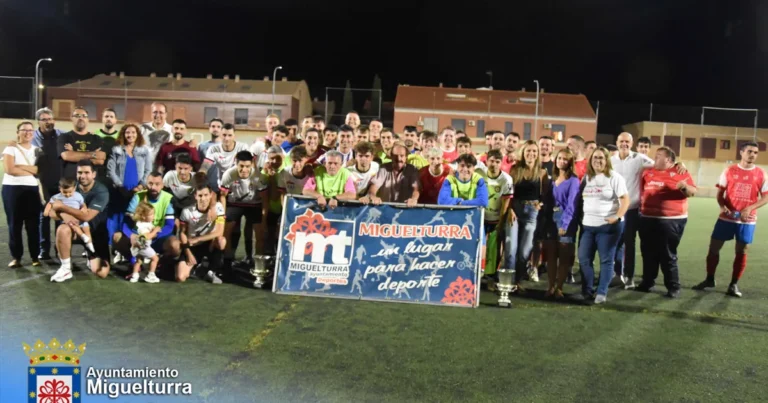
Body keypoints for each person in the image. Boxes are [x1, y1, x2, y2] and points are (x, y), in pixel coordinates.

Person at [693, 141, 768, 298]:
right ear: (741, 152)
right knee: (713, 248)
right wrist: (722, 207)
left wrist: (750, 208)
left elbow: (766, 196)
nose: (752, 155)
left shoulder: (761, 174)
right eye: (749, 151)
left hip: (747, 220)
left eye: (755, 152)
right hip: (726, 218)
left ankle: (733, 284)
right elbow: (720, 194)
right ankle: (709, 279)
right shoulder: (729, 170)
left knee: (741, 251)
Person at [636, 146, 696, 298]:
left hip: (670, 220)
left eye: (658, 156)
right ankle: (648, 282)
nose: (654, 158)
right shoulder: (648, 172)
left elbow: (692, 192)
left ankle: (673, 286)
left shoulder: (679, 172)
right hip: (647, 218)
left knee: (667, 253)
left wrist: (684, 187)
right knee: (648, 252)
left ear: (668, 160)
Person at [577, 147, 629, 304]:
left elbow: (625, 199)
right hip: (587, 227)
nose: (597, 161)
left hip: (608, 227)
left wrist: (617, 216)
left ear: (607, 160)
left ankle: (601, 292)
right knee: (584, 259)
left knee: (606, 261)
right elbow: (580, 200)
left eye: (601, 158)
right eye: (594, 158)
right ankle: (587, 291)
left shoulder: (615, 177)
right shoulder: (587, 178)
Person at [48, 160, 111, 282]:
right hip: (74, 230)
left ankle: (89, 254)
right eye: (80, 172)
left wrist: (62, 208)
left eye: (86, 173)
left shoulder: (101, 191)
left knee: (102, 272)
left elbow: (86, 217)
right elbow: (51, 212)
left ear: (94, 174)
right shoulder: (70, 186)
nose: (82, 176)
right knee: (62, 229)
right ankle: (66, 269)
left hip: (94, 233)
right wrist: (63, 216)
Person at [504, 140, 549, 286]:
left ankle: (517, 282)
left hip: (531, 214)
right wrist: (509, 209)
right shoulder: (515, 169)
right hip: (515, 211)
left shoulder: (542, 172)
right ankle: (507, 283)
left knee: (525, 252)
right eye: (528, 151)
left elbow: (546, 194)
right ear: (523, 152)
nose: (531, 154)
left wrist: (540, 204)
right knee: (511, 249)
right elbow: (508, 192)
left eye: (534, 151)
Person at [106, 123, 152, 257]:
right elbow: (111, 170)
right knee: (116, 220)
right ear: (123, 134)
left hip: (137, 193)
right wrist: (120, 186)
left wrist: (141, 185)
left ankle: (131, 251)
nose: (130, 135)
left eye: (133, 132)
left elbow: (148, 170)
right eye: (127, 132)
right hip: (119, 192)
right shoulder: (116, 150)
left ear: (137, 135)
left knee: (132, 220)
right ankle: (115, 249)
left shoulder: (144, 151)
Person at [112, 172, 176, 264]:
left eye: (157, 184)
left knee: (175, 245)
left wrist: (154, 235)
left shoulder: (168, 198)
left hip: (158, 237)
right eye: (150, 183)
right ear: (146, 184)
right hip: (138, 235)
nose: (153, 187)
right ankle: (134, 262)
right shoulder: (138, 196)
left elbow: (170, 225)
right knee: (117, 237)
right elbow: (126, 222)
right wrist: (132, 236)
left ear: (162, 185)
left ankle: (159, 263)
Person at [219, 151, 268, 268]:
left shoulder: (258, 176)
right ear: (236, 163)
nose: (244, 170)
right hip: (234, 203)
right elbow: (222, 196)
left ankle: (258, 264)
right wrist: (222, 215)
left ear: (252, 164)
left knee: (260, 234)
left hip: (254, 204)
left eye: (247, 166)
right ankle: (228, 260)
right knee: (226, 231)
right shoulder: (228, 174)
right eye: (241, 166)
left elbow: (265, 199)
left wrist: (264, 219)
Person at [3, 121, 42, 267]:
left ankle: (34, 256)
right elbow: (9, 169)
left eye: (31, 130)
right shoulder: (10, 149)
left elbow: (40, 170)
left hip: (32, 189)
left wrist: (20, 166)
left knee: (33, 224)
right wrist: (30, 169)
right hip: (12, 189)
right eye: (24, 130)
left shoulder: (38, 150)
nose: (28, 132)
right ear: (18, 132)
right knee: (15, 224)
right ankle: (16, 257)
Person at [543, 149, 580, 298]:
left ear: (570, 162)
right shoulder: (552, 180)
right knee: (551, 256)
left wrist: (564, 225)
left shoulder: (573, 181)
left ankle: (559, 288)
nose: (562, 161)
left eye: (565, 159)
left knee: (564, 256)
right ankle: (550, 286)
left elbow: (572, 204)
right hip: (551, 219)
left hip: (566, 219)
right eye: (559, 158)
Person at [174, 185, 227, 283]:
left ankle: (212, 270)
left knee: (221, 240)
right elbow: (182, 234)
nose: (203, 199)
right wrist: (188, 253)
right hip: (193, 246)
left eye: (206, 195)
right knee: (180, 277)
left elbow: (219, 232)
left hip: (209, 244)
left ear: (211, 195)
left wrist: (198, 239)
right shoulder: (186, 211)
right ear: (195, 196)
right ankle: (198, 268)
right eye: (200, 195)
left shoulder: (218, 207)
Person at [31, 108, 63, 261]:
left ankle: (59, 249)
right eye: (44, 119)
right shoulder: (33, 138)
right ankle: (44, 250)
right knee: (44, 216)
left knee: (59, 216)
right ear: (39, 121)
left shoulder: (62, 135)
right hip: (42, 183)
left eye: (50, 118)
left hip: (60, 183)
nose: (48, 122)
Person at [483, 150, 514, 280]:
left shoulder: (506, 179)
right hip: (480, 218)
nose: (494, 165)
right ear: (486, 161)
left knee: (494, 248)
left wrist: (500, 222)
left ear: (501, 163)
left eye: (497, 162)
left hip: (496, 219)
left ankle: (491, 276)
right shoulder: (479, 175)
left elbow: (505, 202)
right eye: (491, 161)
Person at [44, 178, 95, 253]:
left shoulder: (78, 196)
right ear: (60, 189)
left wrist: (84, 208)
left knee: (86, 229)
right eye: (65, 192)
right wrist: (46, 210)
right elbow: (50, 203)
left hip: (78, 215)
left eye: (70, 192)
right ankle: (82, 236)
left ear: (74, 188)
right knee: (72, 224)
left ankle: (89, 246)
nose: (68, 194)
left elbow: (82, 204)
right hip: (67, 217)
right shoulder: (56, 197)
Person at [58, 107, 106, 179]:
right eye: (77, 116)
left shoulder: (96, 138)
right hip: (71, 183)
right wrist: (93, 154)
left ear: (88, 120)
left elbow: (100, 160)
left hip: (91, 184)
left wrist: (74, 153)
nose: (81, 118)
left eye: (84, 116)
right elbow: (66, 156)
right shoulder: (64, 137)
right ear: (72, 119)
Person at [127, 201, 161, 283]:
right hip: (143, 246)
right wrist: (155, 231)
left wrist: (154, 229)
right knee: (155, 259)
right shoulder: (141, 226)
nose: (153, 216)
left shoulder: (147, 223)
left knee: (139, 260)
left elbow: (151, 228)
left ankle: (134, 275)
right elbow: (147, 237)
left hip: (139, 246)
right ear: (143, 216)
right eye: (151, 214)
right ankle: (151, 275)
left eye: (153, 214)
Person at [162, 153, 197, 221]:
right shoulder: (169, 175)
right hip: (173, 206)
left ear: (191, 168)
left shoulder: (196, 178)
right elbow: (162, 193)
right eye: (180, 168)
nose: (182, 172)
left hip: (189, 208)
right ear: (175, 167)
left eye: (186, 168)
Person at [93, 108, 120, 184]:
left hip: (115, 175)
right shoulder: (95, 135)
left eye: (111, 117)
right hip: (98, 175)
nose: (109, 119)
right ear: (102, 119)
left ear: (115, 120)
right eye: (106, 116)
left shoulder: (120, 137)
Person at [198, 118, 223, 189]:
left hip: (222, 185)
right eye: (213, 126)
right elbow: (198, 165)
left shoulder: (227, 146)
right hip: (207, 185)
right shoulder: (202, 146)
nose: (215, 129)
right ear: (209, 128)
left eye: (218, 127)